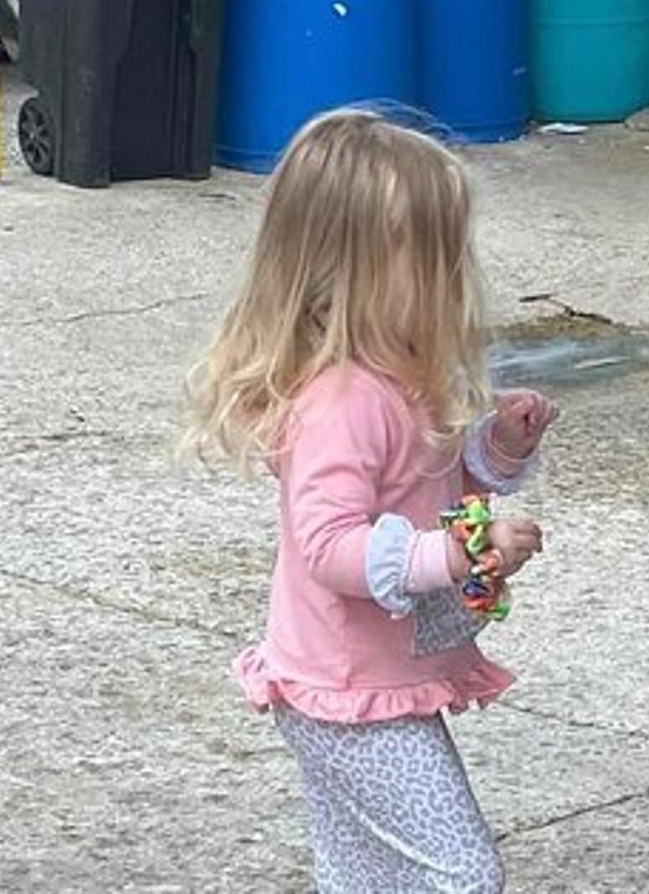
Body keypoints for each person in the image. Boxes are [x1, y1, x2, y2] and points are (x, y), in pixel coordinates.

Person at [183, 109, 556, 893]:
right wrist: (448, 556)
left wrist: (497, 449)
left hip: (358, 683)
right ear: (348, 271)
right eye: (433, 257)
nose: (455, 276)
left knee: (363, 871)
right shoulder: (345, 401)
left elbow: (434, 487)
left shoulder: (396, 381)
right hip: (347, 693)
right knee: (462, 873)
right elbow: (328, 544)